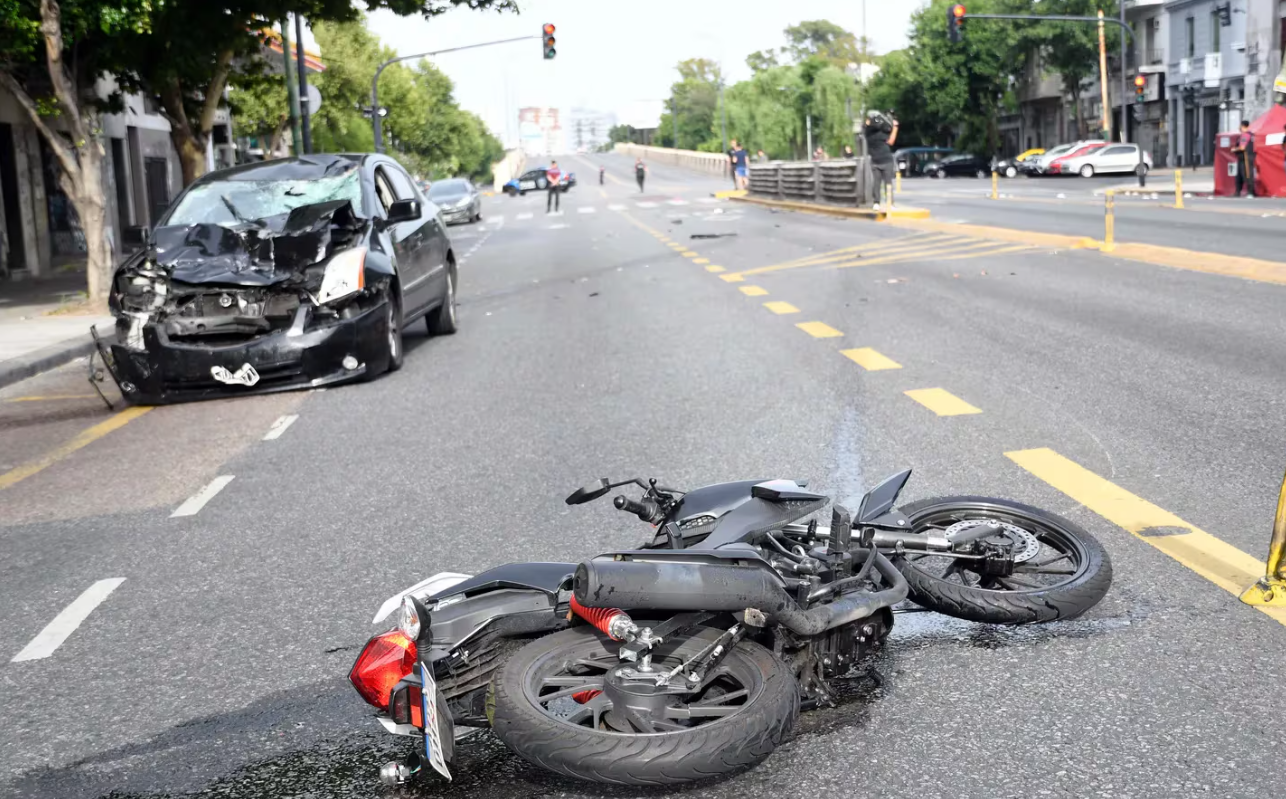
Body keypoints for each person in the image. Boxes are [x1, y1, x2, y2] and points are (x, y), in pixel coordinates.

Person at [863, 110, 899, 209]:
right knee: (888, 183)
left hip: (875, 160)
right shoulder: (882, 133)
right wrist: (895, 128)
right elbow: (891, 141)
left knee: (876, 183)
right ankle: (890, 204)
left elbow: (866, 124)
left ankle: (876, 203)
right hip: (886, 159)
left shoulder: (867, 133)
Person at [1233, 119, 1256, 198]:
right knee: (1239, 175)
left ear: (1242, 126)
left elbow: (1242, 147)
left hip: (1246, 158)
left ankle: (1250, 192)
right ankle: (1237, 192)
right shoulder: (1247, 135)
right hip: (1242, 158)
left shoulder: (1246, 135)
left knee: (1247, 174)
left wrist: (1234, 149)